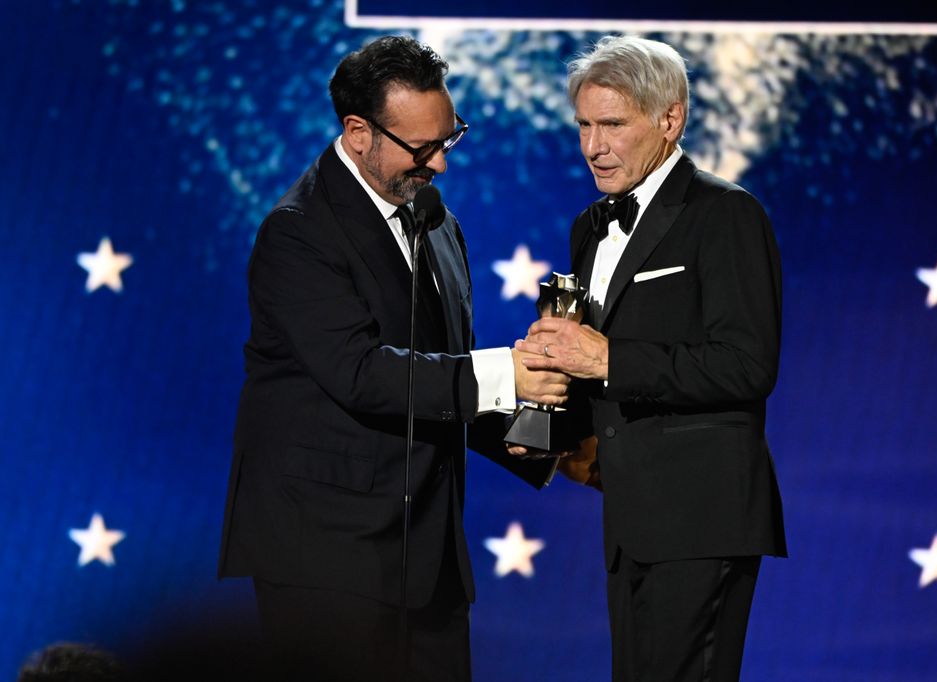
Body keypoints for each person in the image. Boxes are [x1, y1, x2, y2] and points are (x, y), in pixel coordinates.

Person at [218, 35, 567, 681]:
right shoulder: (297, 234)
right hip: (327, 558)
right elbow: (361, 372)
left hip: (427, 555)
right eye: (422, 147)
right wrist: (504, 373)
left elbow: (436, 370)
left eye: (449, 138)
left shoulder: (433, 217)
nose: (440, 164)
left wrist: (529, 436)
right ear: (358, 132)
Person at [515, 36, 787, 681]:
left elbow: (748, 365)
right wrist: (541, 422)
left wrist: (606, 357)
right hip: (631, 516)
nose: (592, 146)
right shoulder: (590, 227)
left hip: (701, 514)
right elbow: (592, 368)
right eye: (583, 125)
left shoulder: (726, 213)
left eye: (612, 125)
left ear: (670, 120)